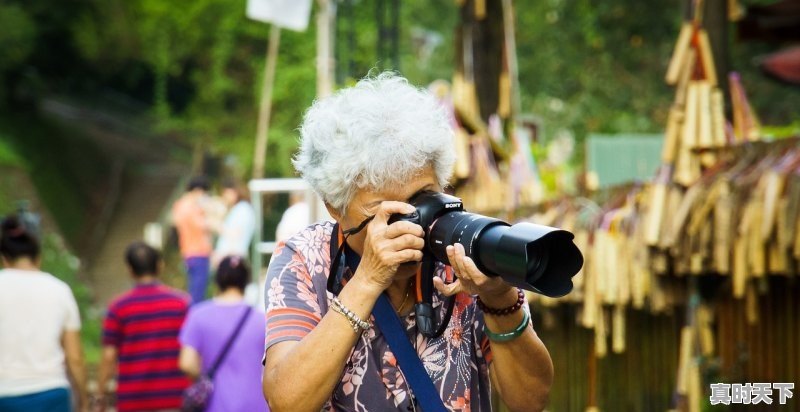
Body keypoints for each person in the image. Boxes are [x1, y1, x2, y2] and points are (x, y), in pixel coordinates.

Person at [262, 73, 554, 412]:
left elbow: (530, 401)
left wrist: (498, 296)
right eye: (387, 210)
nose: (411, 224)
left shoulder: (465, 246)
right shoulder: (305, 259)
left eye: (422, 199)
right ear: (334, 205)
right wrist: (367, 281)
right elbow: (286, 401)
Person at [0, 216, 88, 412]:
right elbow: (74, 357)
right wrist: (83, 399)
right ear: (38, 257)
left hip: (4, 396)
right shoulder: (59, 290)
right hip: (51, 393)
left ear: (4, 258)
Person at [96, 242, 190, 412]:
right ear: (160, 266)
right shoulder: (181, 303)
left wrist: (100, 394)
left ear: (130, 270)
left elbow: (109, 356)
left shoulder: (118, 307)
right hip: (175, 398)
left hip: (133, 400)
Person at [178, 256, 269, 412]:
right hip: (257, 405)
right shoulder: (263, 320)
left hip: (215, 405)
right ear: (246, 282)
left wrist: (206, 376)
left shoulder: (198, 315)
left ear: (217, 280)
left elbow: (186, 363)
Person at [172, 176, 213, 304]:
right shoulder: (191, 207)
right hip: (198, 252)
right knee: (198, 294)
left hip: (188, 252)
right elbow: (202, 225)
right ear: (198, 190)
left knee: (194, 290)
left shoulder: (179, 206)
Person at [211, 180, 256, 269]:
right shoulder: (240, 209)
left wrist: (217, 225)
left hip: (232, 259)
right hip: (231, 258)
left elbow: (236, 235)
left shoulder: (242, 209)